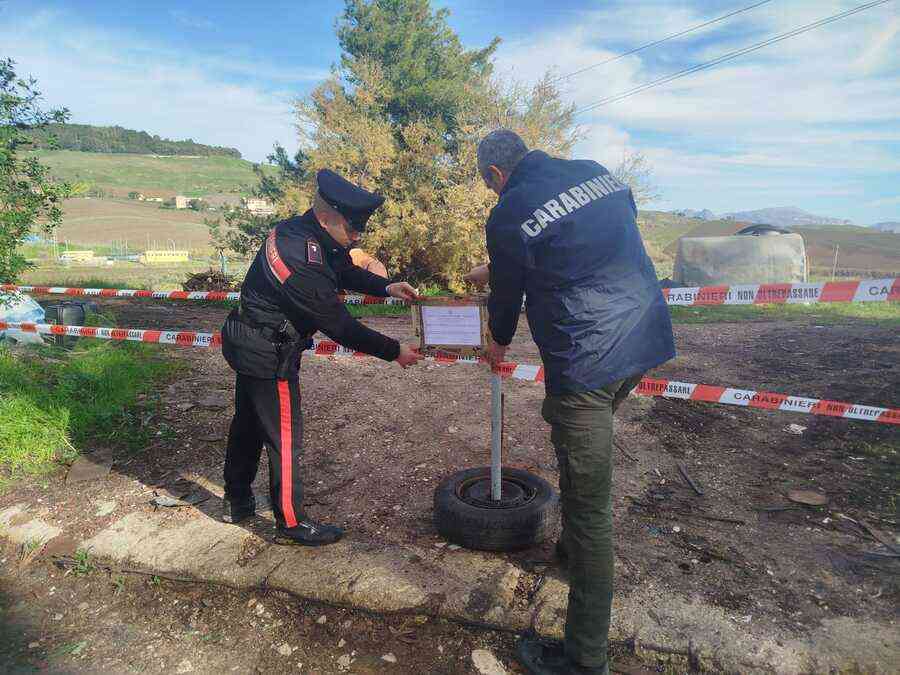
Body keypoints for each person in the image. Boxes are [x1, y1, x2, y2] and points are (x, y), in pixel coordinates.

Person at [467, 130, 675, 675]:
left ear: (494, 176)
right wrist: (497, 264)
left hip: (589, 360)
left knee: (591, 509)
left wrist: (496, 341)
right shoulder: (592, 169)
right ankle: (567, 556)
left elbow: (508, 298)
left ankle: (585, 658)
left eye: (488, 185)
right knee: (582, 459)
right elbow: (587, 231)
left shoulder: (508, 210)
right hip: (645, 340)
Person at [220, 169, 423, 547]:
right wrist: (394, 351)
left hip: (249, 340)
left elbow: (343, 268)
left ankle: (238, 499)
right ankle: (293, 523)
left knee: (248, 424)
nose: (358, 236)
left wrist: (384, 286)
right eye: (353, 228)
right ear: (329, 216)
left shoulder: (304, 231)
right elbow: (340, 325)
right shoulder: (301, 259)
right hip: (269, 352)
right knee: (284, 437)